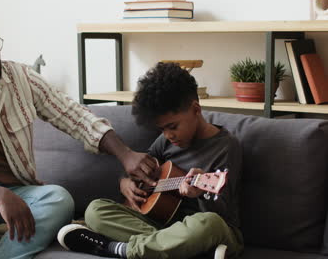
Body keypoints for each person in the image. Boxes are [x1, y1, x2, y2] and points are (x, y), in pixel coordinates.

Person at [0, 7, 158, 259]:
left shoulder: (19, 78)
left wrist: (125, 153)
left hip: (18, 192)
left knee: (59, 200)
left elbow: (73, 115)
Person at [57, 62, 244, 259]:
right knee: (96, 210)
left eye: (172, 126)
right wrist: (125, 182)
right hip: (163, 226)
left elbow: (221, 211)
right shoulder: (165, 141)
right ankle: (181, 251)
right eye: (162, 129)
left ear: (196, 109)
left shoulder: (226, 147)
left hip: (210, 230)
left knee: (208, 223)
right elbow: (141, 172)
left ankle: (117, 249)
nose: (168, 135)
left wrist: (199, 195)